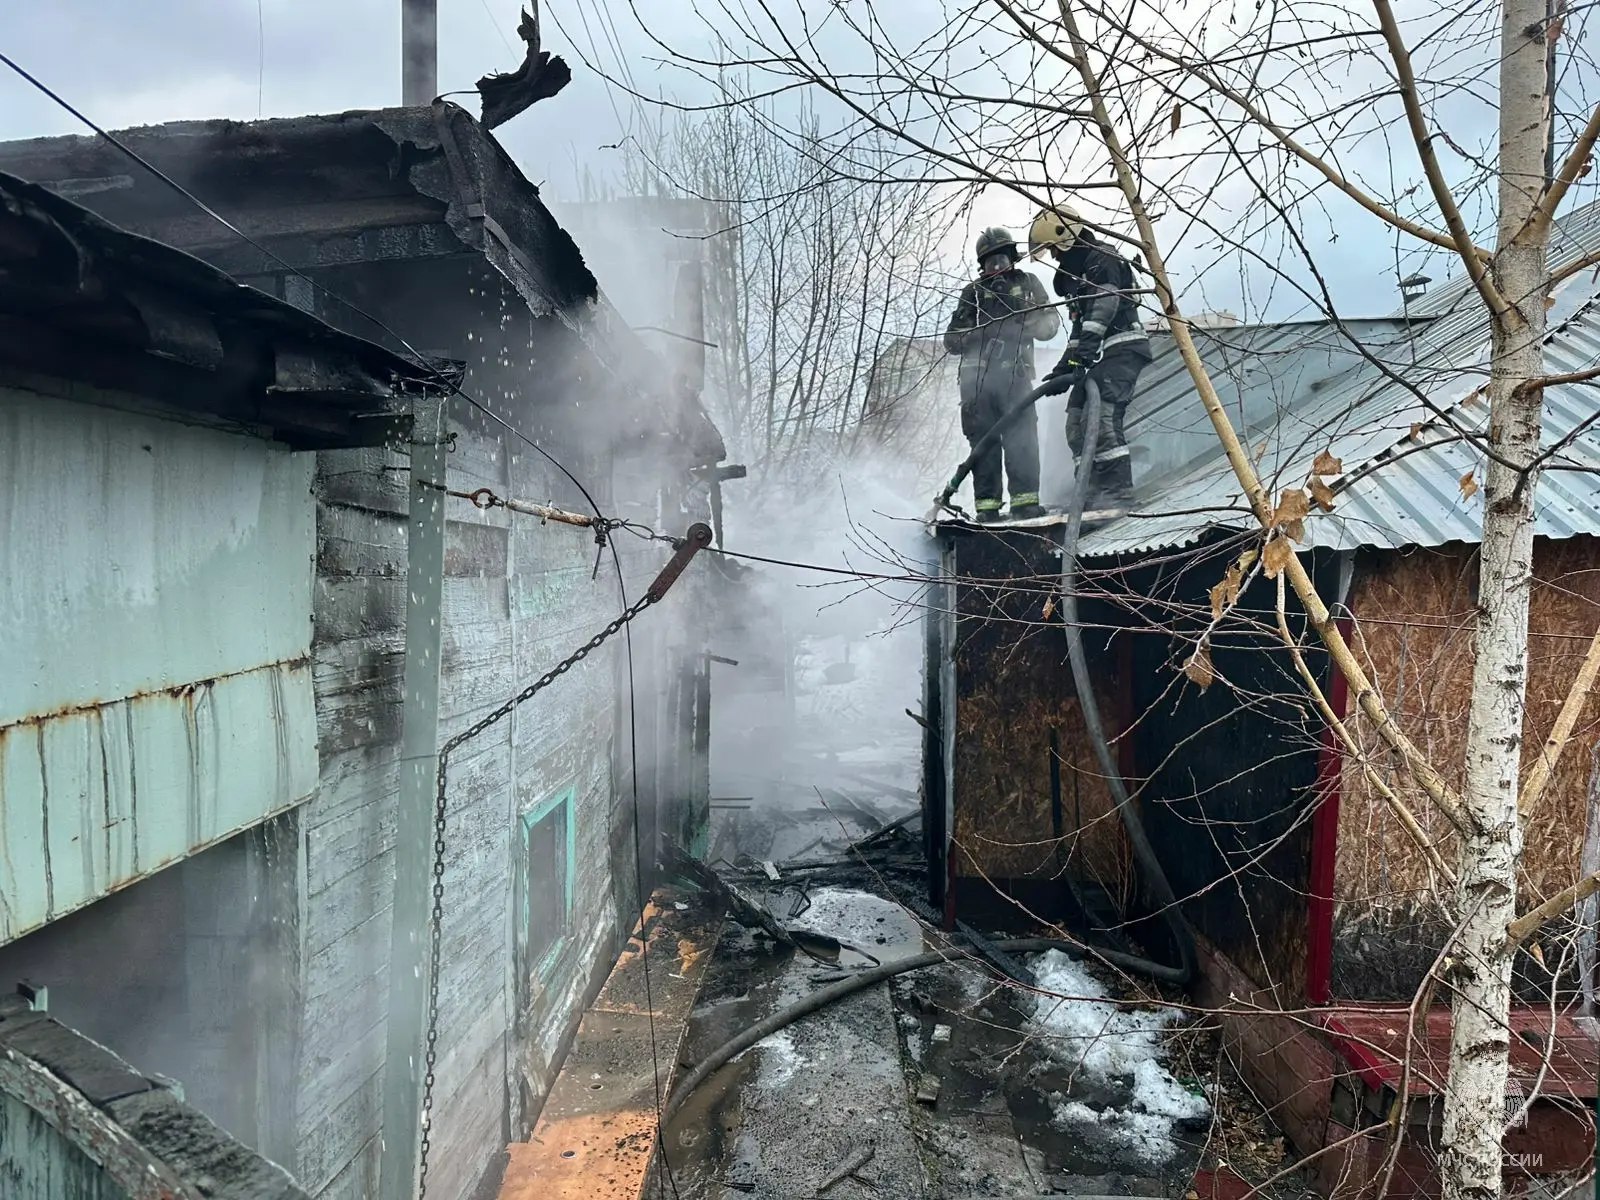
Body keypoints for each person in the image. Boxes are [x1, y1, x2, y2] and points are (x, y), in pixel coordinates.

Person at [1030, 204, 1152, 515]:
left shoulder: (1102, 259)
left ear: (1066, 237)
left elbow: (1104, 307)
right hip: (1099, 357)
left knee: (1103, 418)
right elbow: (1079, 327)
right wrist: (1063, 368)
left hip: (1123, 348)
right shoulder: (1071, 277)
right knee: (1075, 424)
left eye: (1054, 250)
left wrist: (1084, 353)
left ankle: (1118, 494)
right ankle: (1091, 492)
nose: (1055, 258)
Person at [943, 226, 1061, 522]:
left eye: (1002, 260)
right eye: (990, 262)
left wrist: (1020, 322)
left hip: (1016, 379)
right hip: (977, 388)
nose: (997, 267)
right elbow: (952, 341)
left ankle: (1025, 504)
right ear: (982, 266)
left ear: (1012, 258)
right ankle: (987, 510)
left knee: (1022, 440)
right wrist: (983, 333)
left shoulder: (1029, 283)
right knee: (984, 447)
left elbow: (1050, 326)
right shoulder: (973, 293)